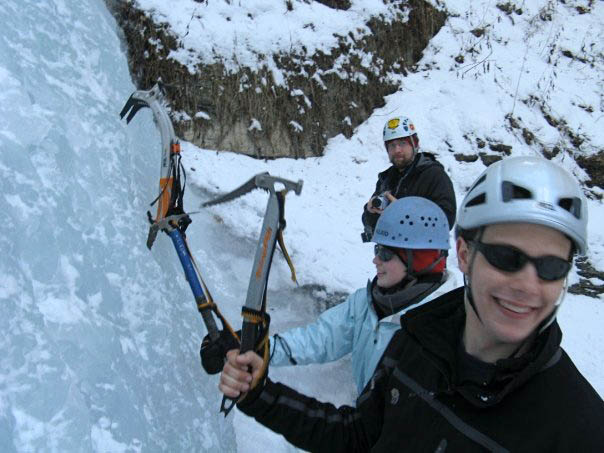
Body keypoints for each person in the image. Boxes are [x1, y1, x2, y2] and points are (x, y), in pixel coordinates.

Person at [219, 156, 604, 452]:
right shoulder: (416, 342)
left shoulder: (580, 429)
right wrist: (258, 385)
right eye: (507, 257)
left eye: (553, 267)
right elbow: (360, 435)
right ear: (464, 255)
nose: (528, 286)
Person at [269, 196, 456, 395]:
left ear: (417, 262)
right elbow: (321, 338)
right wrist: (263, 350)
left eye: (385, 253)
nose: (375, 260)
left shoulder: (443, 329)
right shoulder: (369, 302)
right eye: (377, 249)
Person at [361, 116, 456, 242]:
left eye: (402, 143)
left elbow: (446, 221)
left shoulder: (434, 175)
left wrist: (405, 212)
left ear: (414, 144)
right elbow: (371, 224)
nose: (397, 150)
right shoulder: (386, 178)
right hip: (388, 256)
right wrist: (370, 211)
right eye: (392, 145)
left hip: (422, 258)